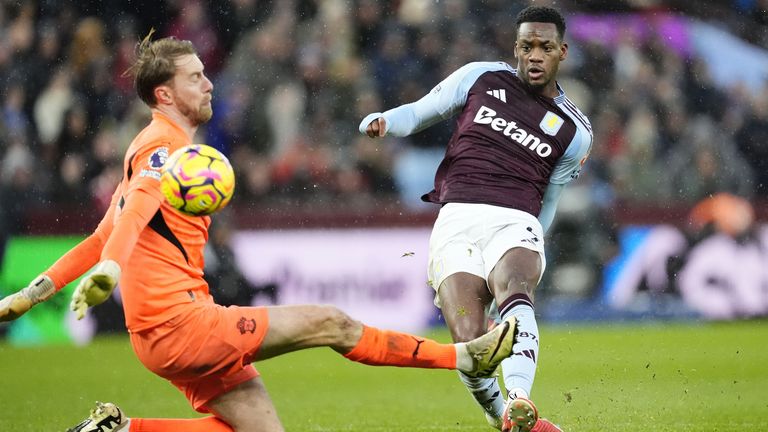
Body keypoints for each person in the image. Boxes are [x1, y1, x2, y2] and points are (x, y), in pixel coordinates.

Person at [0, 33, 519, 432]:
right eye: (196, 77)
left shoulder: (147, 144)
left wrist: (29, 294)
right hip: (180, 326)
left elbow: (98, 236)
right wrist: (111, 269)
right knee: (331, 322)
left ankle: (120, 428)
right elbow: (134, 212)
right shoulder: (164, 148)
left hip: (167, 331)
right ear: (165, 92)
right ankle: (465, 356)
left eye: (206, 74)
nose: (208, 84)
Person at [359, 6, 592, 432]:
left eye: (544, 47)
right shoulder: (481, 77)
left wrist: (537, 240)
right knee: (467, 339)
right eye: (526, 46)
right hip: (457, 220)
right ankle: (503, 415)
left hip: (515, 221)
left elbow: (551, 198)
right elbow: (421, 110)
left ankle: (522, 397)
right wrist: (385, 121)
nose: (534, 56)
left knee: (515, 287)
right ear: (515, 48)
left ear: (562, 51)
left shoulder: (575, 132)